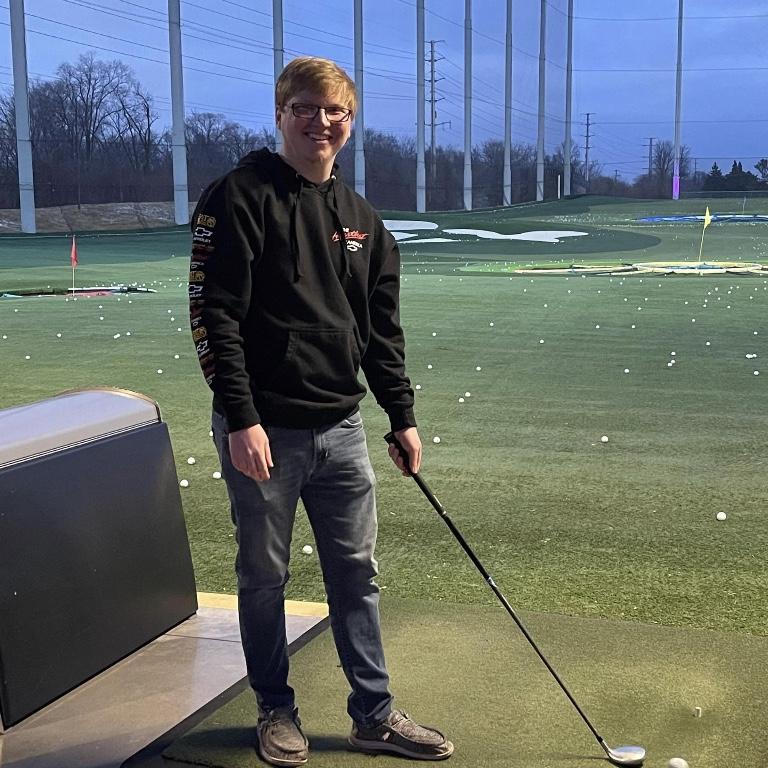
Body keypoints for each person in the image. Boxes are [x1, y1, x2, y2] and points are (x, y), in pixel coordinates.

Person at [188, 56, 453, 767]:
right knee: (263, 577)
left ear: (351, 121)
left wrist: (401, 415)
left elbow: (380, 331)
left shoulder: (363, 221)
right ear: (281, 114)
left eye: (334, 110)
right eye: (305, 107)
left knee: (356, 575)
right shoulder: (239, 196)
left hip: (342, 428)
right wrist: (240, 417)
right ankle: (275, 709)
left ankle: (374, 715)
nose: (320, 121)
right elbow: (214, 315)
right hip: (264, 428)